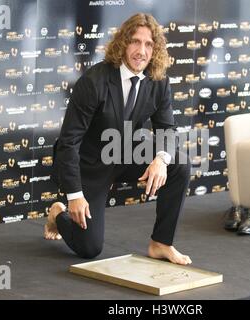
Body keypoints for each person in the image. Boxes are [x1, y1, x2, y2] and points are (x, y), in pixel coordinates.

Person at [44, 13, 192, 265]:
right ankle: (57, 214)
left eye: (148, 44)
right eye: (135, 42)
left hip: (123, 153)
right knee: (89, 248)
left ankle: (161, 243)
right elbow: (69, 142)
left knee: (178, 162)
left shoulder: (158, 81)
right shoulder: (94, 81)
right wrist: (74, 196)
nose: (141, 51)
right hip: (89, 164)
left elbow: (167, 128)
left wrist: (160, 160)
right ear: (123, 43)